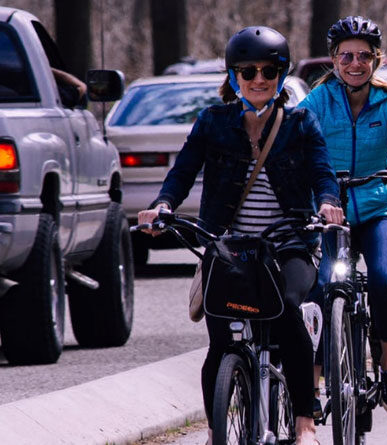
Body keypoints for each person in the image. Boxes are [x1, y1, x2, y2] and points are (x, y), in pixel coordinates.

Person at [137, 26, 343, 445]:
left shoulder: (301, 122)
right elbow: (183, 171)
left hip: (289, 244)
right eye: (248, 71)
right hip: (230, 248)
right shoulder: (212, 122)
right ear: (234, 77)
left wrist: (326, 202)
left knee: (287, 313)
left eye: (269, 71)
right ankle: (217, 431)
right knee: (220, 341)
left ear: (282, 75)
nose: (259, 79)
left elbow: (322, 172)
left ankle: (305, 423)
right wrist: (163, 205)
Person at [299, 15, 387, 415]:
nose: (355, 64)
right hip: (331, 213)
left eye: (363, 56)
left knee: (383, 283)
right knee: (322, 289)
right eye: (346, 56)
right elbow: (293, 133)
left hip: (377, 211)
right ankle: (313, 385)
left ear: (377, 59)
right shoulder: (319, 100)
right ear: (334, 60)